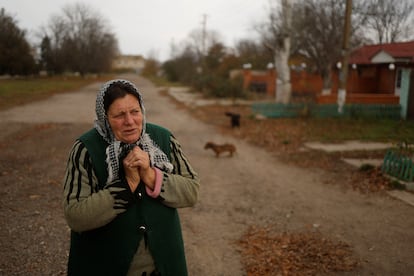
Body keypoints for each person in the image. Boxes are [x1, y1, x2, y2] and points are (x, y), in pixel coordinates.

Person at [62, 79, 200, 276]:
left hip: (163, 266)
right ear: (104, 118)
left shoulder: (163, 139)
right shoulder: (85, 149)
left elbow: (192, 191)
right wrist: (128, 185)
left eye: (135, 111)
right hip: (103, 266)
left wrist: (150, 175)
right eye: (119, 115)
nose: (130, 121)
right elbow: (75, 215)